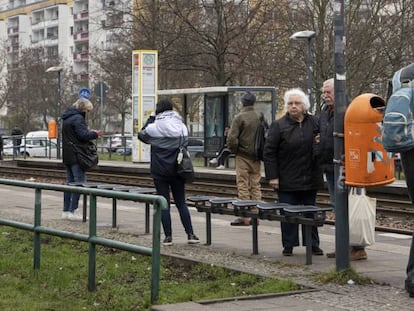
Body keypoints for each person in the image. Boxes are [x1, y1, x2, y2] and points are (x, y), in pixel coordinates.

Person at [263, 88, 324, 256]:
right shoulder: (279, 126)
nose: (293, 106)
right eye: (290, 103)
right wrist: (273, 176)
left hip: (310, 177)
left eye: (297, 103)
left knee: (310, 212)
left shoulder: (314, 122)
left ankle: (313, 244)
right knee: (288, 212)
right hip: (287, 178)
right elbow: (269, 152)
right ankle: (289, 244)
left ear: (304, 105)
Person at [138, 99, 200, 246]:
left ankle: (168, 237)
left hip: (160, 171)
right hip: (179, 169)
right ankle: (190, 234)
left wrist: (151, 117)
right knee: (181, 203)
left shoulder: (154, 127)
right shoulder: (181, 126)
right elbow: (185, 145)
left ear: (158, 110)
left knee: (163, 203)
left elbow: (141, 135)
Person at [320, 78, 367, 261]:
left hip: (348, 167)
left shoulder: (350, 110)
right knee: (337, 207)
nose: (325, 96)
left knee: (351, 207)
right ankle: (343, 245)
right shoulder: (325, 112)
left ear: (339, 91)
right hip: (330, 166)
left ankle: (356, 247)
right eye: (324, 92)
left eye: (328, 92)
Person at [61, 98, 103, 221]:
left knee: (69, 183)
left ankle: (66, 210)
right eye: (88, 110)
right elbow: (82, 135)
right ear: (84, 109)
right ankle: (74, 211)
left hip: (67, 154)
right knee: (78, 183)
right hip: (77, 155)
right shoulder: (78, 118)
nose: (88, 113)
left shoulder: (67, 118)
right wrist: (95, 134)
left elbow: (74, 135)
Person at [227, 91, 262, 226]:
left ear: (242, 102)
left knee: (242, 185)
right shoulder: (260, 116)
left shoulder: (240, 117)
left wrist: (234, 150)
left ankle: (245, 216)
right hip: (257, 157)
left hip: (242, 155)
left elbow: (232, 138)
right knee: (255, 185)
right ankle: (256, 214)